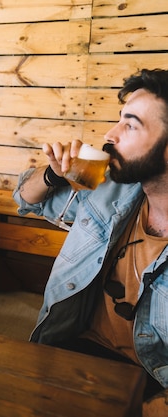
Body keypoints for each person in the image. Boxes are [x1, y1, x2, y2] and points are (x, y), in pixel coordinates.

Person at [13, 69, 168, 412]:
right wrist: (54, 173)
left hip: (148, 386)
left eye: (130, 125)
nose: (109, 135)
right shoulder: (111, 193)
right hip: (70, 351)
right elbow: (26, 198)